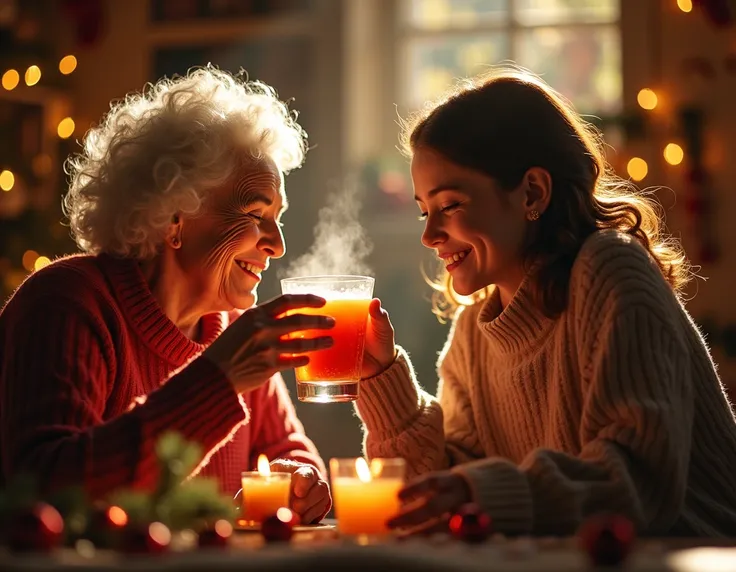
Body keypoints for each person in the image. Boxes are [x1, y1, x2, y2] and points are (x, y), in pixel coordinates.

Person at [355, 67, 736, 537]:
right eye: (423, 210)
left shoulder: (610, 270)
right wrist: (383, 378)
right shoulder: (474, 333)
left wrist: (479, 492)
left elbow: (637, 483)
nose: (430, 236)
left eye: (450, 205)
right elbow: (439, 493)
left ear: (532, 192)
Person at [0, 67, 335, 525]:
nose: (277, 244)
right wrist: (217, 380)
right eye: (256, 213)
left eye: (278, 218)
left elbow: (290, 452)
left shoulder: (235, 328)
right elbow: (48, 487)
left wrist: (301, 481)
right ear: (174, 218)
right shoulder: (68, 303)